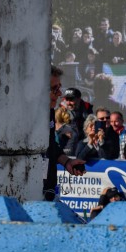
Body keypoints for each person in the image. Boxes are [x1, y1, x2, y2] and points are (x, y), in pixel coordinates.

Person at [44, 65, 86, 201]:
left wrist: (67, 161)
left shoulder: (48, 112)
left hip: (47, 190)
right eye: (54, 89)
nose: (60, 94)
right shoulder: (28, 116)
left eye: (59, 87)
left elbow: (49, 144)